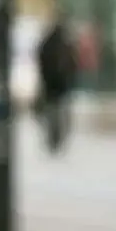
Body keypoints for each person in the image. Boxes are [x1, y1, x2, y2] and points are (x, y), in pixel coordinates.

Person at [33, 11, 79, 156]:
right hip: (60, 86)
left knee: (53, 115)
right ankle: (56, 139)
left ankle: (53, 139)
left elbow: (41, 62)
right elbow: (73, 63)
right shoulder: (64, 45)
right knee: (59, 115)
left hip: (51, 86)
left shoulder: (47, 43)